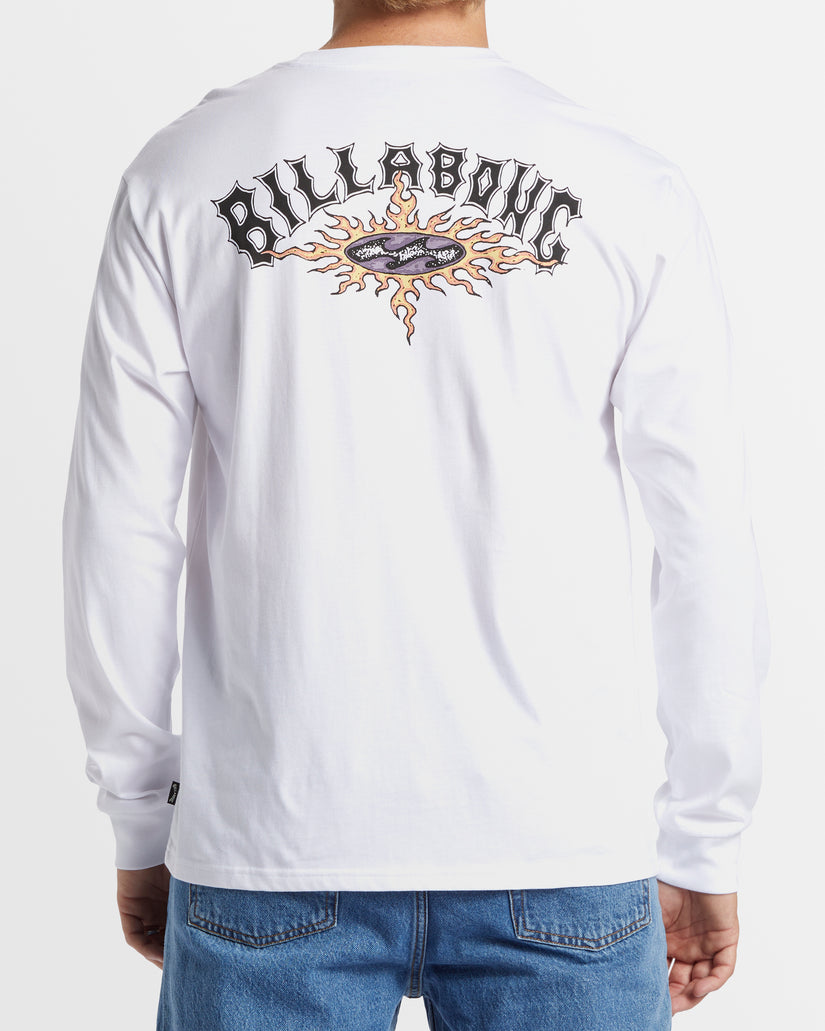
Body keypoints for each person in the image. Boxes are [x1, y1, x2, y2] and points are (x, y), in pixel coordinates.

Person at [61, 0, 770, 1027]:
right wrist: (704, 836)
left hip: (270, 839)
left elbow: (120, 527)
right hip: (558, 841)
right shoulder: (628, 183)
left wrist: (140, 813)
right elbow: (704, 535)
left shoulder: (181, 171)